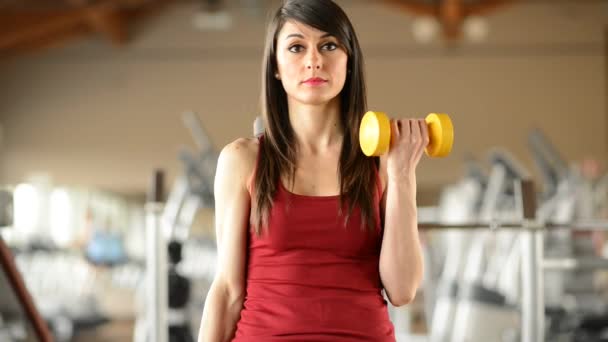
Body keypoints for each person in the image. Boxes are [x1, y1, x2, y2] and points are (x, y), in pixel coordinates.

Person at [198, 0, 425, 340]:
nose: (314, 60)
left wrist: (402, 173)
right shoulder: (242, 159)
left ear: (349, 61)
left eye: (329, 45)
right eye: (296, 47)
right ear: (275, 65)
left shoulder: (383, 162)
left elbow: (402, 290)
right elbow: (228, 291)